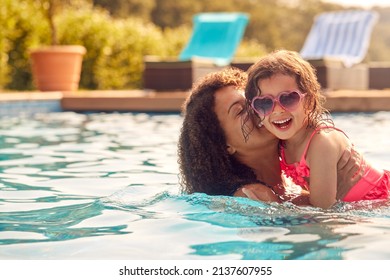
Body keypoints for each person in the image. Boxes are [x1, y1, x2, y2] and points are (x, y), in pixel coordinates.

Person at [178, 67, 363, 206]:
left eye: (259, 101)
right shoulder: (253, 196)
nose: (261, 110)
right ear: (224, 145)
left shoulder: (297, 174)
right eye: (240, 110)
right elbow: (322, 227)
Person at [245, 49, 389, 209]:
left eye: (288, 98)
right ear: (255, 110)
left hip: (381, 199)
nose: (278, 110)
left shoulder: (322, 143)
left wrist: (274, 203)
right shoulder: (280, 143)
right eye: (265, 103)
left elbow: (322, 213)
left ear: (309, 100)